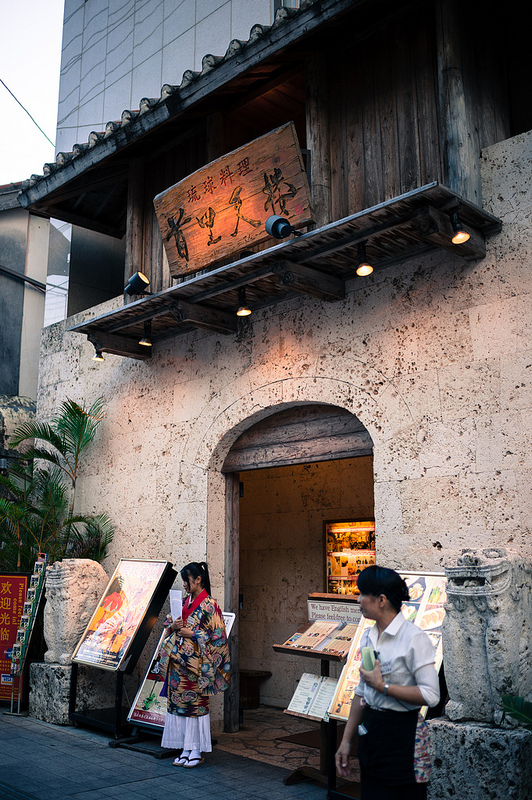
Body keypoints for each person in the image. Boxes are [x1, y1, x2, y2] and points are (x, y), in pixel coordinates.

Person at [335, 565, 440, 800]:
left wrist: (383, 687)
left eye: (363, 594)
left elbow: (431, 695)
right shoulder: (369, 637)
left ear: (381, 600)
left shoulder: (414, 638)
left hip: (403, 734)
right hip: (372, 733)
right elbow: (362, 692)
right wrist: (346, 741)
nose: (359, 600)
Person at [159, 562, 230, 768]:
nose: (184, 584)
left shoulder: (210, 605)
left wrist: (193, 633)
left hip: (198, 666)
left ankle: (196, 749)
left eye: (187, 580)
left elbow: (218, 637)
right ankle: (185, 747)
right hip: (178, 664)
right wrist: (173, 626)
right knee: (179, 706)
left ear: (198, 579)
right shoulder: (182, 602)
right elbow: (168, 625)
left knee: (196, 706)